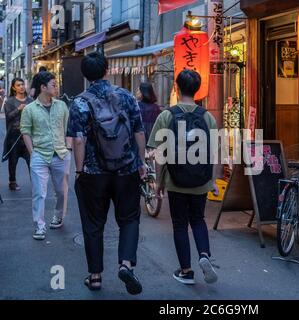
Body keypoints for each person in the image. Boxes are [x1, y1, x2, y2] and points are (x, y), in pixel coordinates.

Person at [67, 52, 147, 294]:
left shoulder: (79, 102)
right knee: (129, 218)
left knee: (93, 224)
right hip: (126, 170)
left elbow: (78, 140)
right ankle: (125, 264)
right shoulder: (126, 97)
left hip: (93, 172)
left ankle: (95, 276)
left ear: (85, 74)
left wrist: (80, 171)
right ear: (106, 70)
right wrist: (141, 162)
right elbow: (139, 132)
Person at [147, 69, 219, 285]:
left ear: (177, 88)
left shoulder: (166, 116)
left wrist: (158, 183)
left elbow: (159, 155)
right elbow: (214, 153)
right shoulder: (208, 117)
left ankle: (186, 271)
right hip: (200, 181)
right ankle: (204, 255)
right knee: (198, 219)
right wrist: (213, 181)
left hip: (175, 181)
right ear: (197, 90)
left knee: (179, 224)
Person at [20, 71, 72, 240]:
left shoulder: (62, 106)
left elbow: (68, 128)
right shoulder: (29, 109)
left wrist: (68, 147)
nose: (56, 87)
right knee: (39, 192)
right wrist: (32, 152)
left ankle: (58, 216)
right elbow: (25, 131)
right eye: (53, 85)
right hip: (39, 155)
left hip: (61, 154)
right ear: (43, 87)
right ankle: (39, 226)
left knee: (62, 191)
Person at [2, 78, 32, 191]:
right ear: (14, 88)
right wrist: (18, 109)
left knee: (32, 160)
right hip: (14, 136)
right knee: (13, 161)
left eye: (22, 84)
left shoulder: (30, 101)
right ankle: (12, 182)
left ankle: (35, 181)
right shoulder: (9, 101)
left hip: (28, 136)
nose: (21, 87)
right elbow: (8, 117)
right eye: (18, 85)